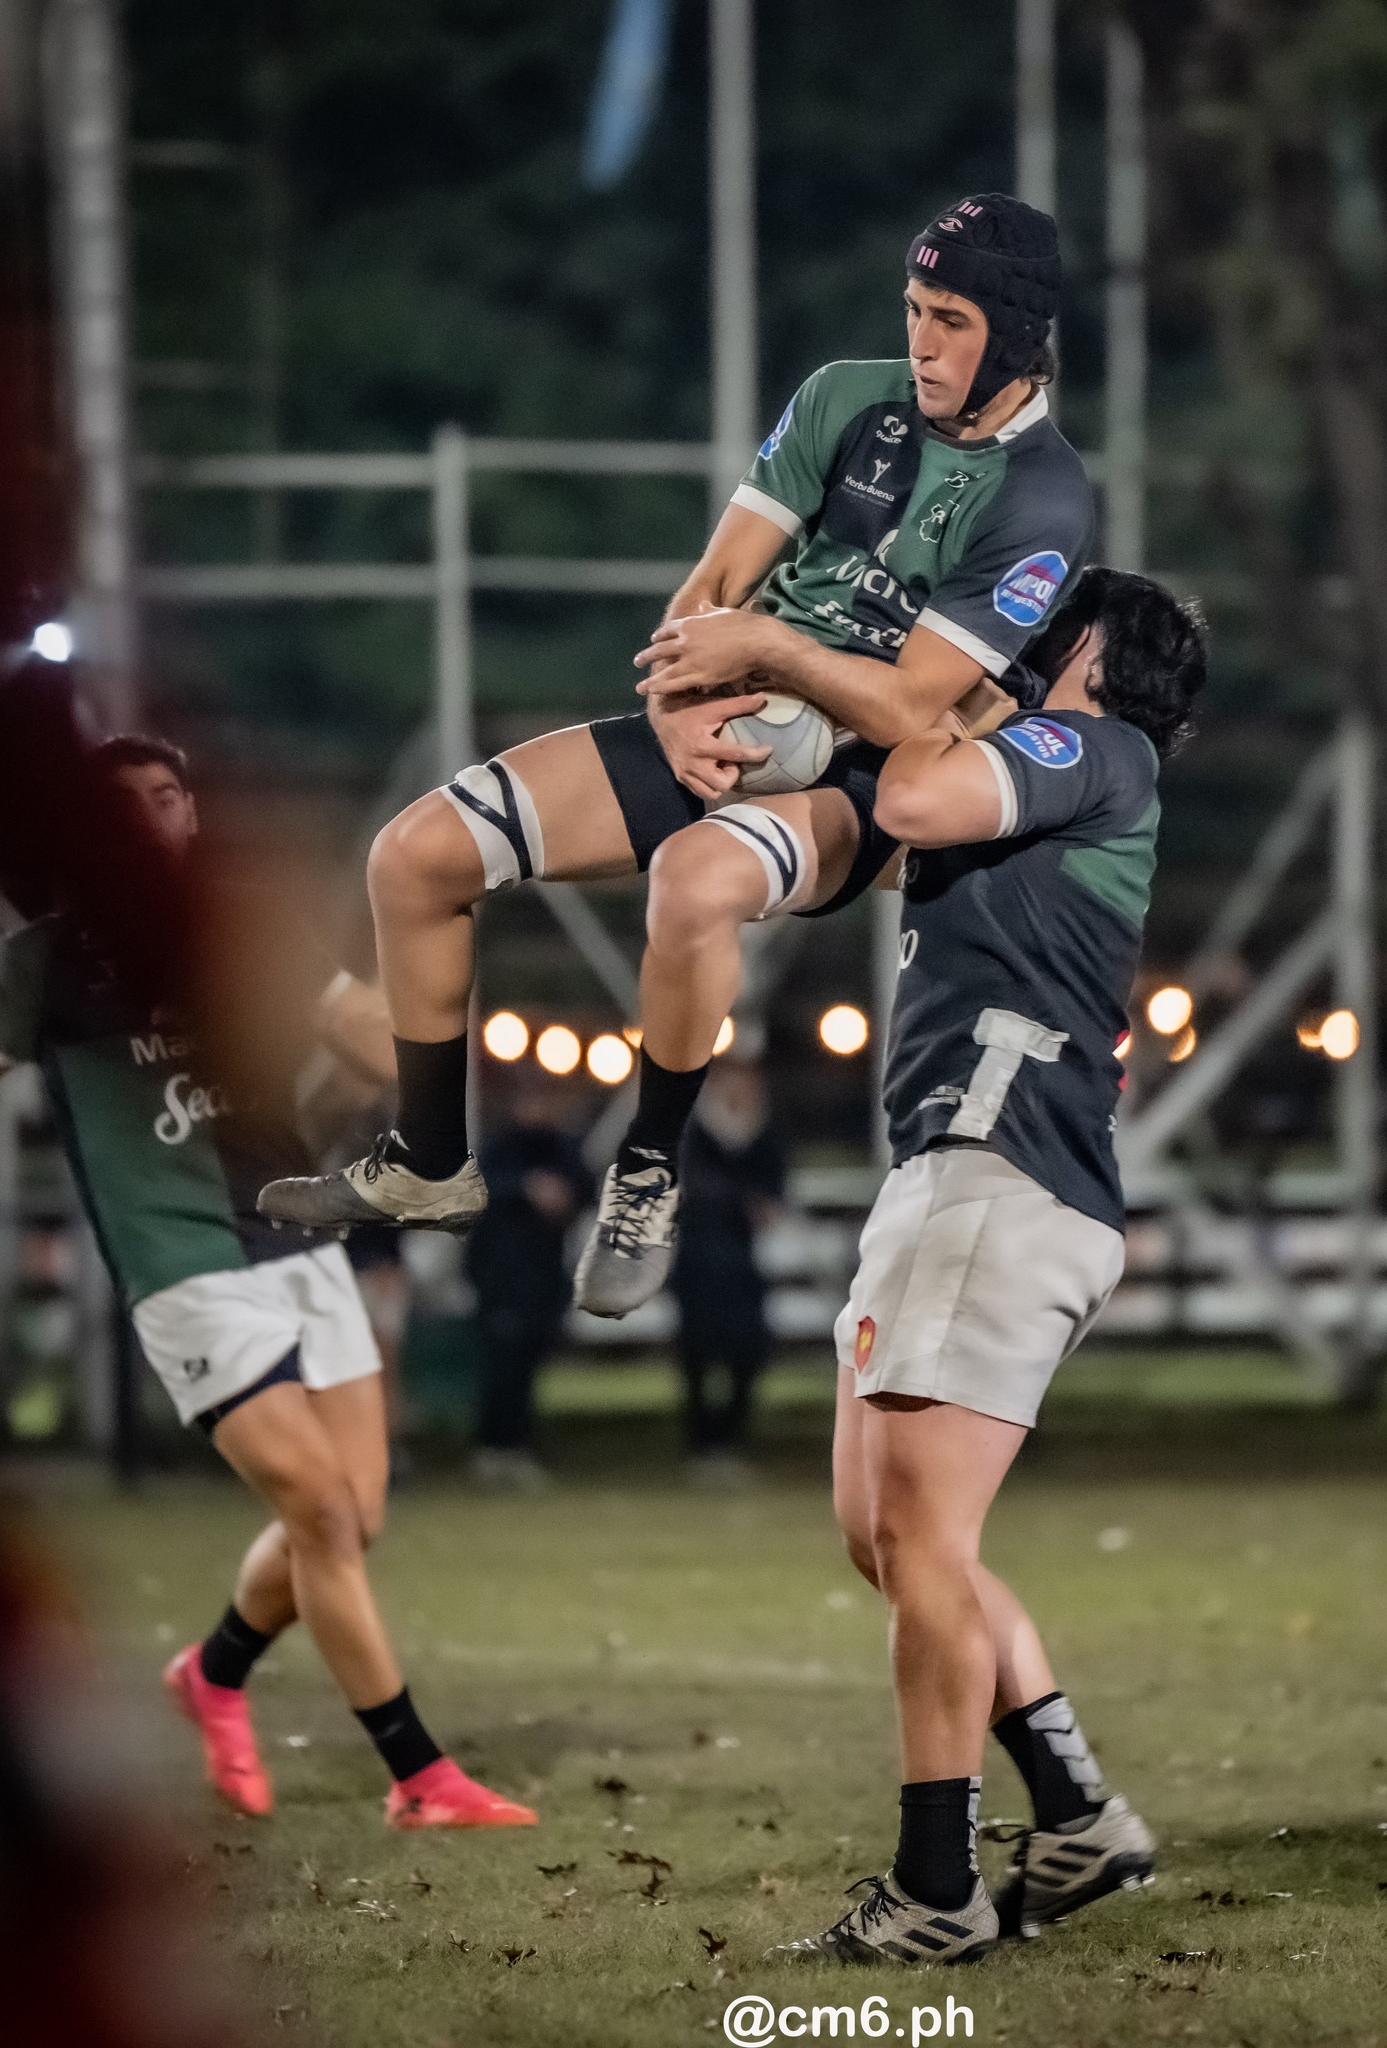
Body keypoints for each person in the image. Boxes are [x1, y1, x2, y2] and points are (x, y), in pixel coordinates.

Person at [257, 192, 1094, 1326]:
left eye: (950, 319)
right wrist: (675, 702)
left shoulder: (1042, 495)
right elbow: (710, 589)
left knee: (692, 880)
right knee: (415, 856)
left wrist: (768, 646)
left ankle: (646, 1169)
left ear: (1015, 332)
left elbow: (906, 707)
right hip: (742, 705)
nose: (921, 341)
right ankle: (428, 1158)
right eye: (912, 308)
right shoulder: (846, 397)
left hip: (866, 777)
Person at [0, 736, 534, 1830]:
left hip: (298, 1239)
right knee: (318, 1505)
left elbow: (371, 1044)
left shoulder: (229, 931)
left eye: (167, 794)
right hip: (182, 1264)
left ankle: (214, 1671)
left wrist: (418, 978)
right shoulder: (37, 962)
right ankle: (420, 1776)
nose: (147, 816)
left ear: (188, 816)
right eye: (119, 803)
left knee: (351, 1514)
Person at [777, 568, 1207, 1964]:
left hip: (995, 1173)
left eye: (1039, 633)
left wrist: (918, 685)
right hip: (967, 1179)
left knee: (924, 1548)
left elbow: (907, 799)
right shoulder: (1057, 760)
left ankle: (936, 1890)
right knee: (886, 1539)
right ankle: (1076, 1810)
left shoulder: (1092, 744)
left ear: (1086, 652)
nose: (1012, 653)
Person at [464, 1070, 593, 1486]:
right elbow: (479, 1193)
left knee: (527, 1363)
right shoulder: (498, 1148)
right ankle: (493, 1446)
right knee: (501, 1362)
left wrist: (562, 1196)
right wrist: (526, 1190)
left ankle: (517, 1446)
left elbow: (585, 1188)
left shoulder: (563, 1148)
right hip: (501, 1273)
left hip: (543, 1274)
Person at [669, 1054, 786, 1477]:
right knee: (697, 1354)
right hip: (699, 1259)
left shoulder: (763, 1132)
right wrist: (740, 1201)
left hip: (742, 1263)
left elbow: (773, 1197)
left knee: (747, 1351)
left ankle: (731, 1439)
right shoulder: (693, 1130)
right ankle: (701, 1443)